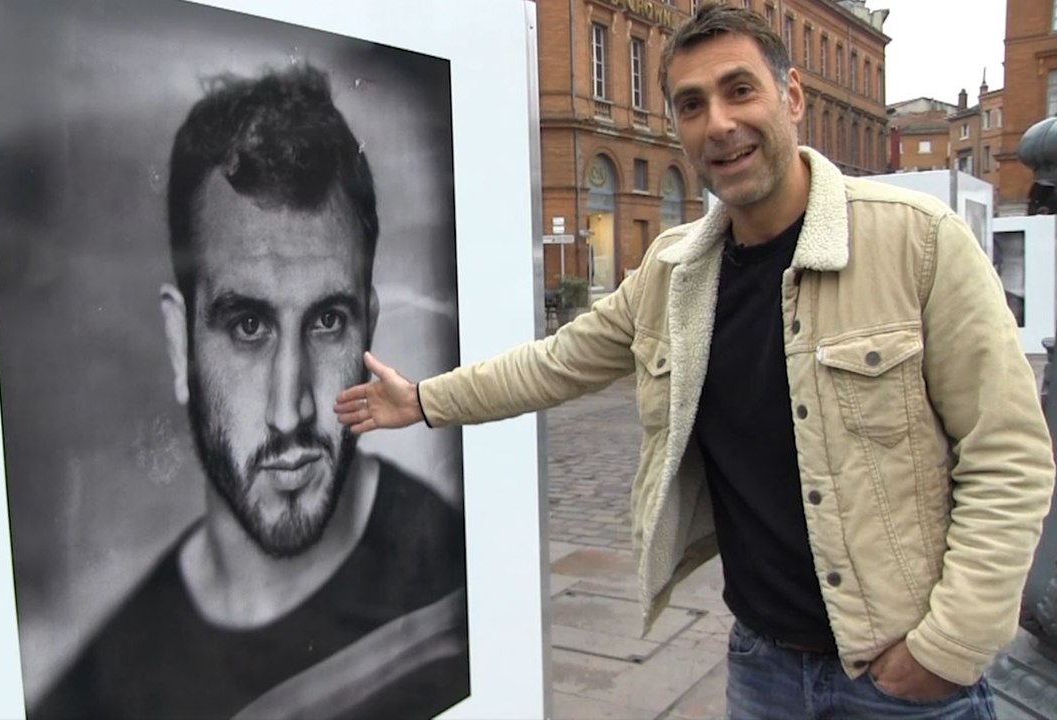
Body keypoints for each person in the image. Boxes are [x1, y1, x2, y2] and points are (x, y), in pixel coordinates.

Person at [336, 5, 1055, 719]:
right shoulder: (674, 271)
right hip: (762, 666)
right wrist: (424, 401)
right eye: (691, 104)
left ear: (791, 96)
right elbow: (556, 362)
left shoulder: (917, 242)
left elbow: (1008, 456)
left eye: (739, 90)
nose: (718, 124)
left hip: (899, 678)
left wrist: (944, 650)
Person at [35, 63, 469, 720]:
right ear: (180, 344)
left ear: (367, 333)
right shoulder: (97, 696)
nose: (288, 410)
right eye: (247, 325)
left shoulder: (461, 590)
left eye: (327, 321)